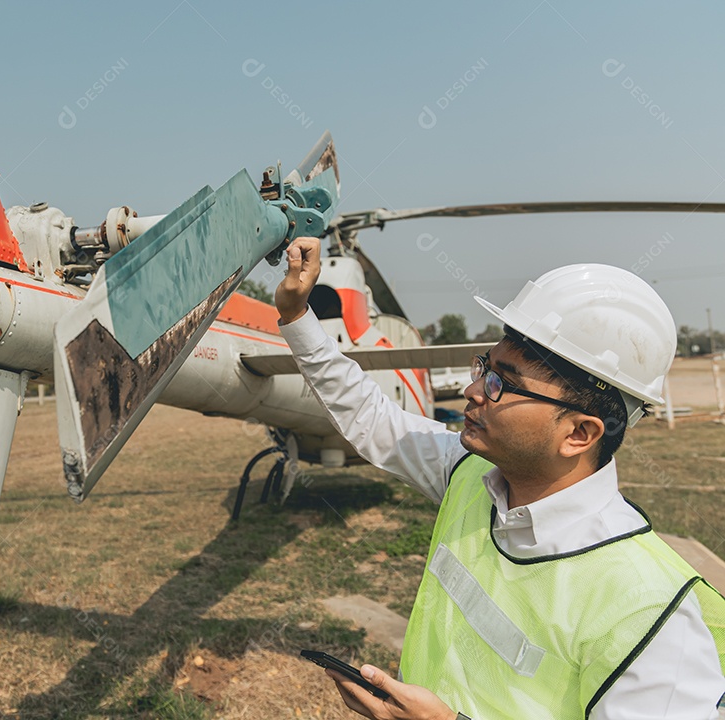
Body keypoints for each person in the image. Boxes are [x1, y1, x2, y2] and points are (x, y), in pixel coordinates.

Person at [274, 237, 725, 720]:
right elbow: (371, 416)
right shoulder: (471, 476)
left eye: (500, 384)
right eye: (484, 368)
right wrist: (298, 317)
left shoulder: (650, 615)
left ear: (579, 432)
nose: (472, 391)